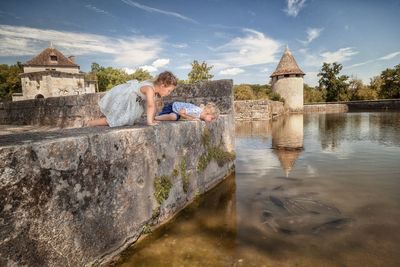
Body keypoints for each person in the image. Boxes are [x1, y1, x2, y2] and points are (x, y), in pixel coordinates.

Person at [86, 71, 177, 127]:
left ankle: (91, 123)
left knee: (124, 120)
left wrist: (153, 119)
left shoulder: (154, 91)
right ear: (162, 86)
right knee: (117, 119)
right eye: (169, 90)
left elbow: (153, 107)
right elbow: (150, 106)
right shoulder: (150, 89)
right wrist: (150, 122)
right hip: (127, 99)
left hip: (134, 101)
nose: (169, 93)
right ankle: (90, 123)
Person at [155, 102, 220, 122]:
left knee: (174, 117)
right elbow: (181, 111)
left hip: (178, 113)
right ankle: (155, 118)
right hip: (172, 107)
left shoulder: (200, 116)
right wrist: (190, 118)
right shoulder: (197, 110)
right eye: (211, 118)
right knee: (173, 117)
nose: (211, 121)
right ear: (207, 113)